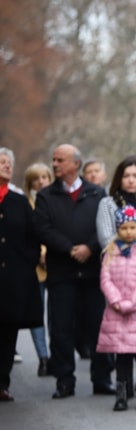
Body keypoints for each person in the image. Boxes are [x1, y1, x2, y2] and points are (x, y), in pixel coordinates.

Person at [34, 144, 114, 399]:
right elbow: (43, 228)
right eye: (54, 160)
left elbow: (105, 225)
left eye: (60, 160)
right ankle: (64, 380)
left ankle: (102, 379)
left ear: (75, 164)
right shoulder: (46, 196)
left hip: (92, 272)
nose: (55, 164)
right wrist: (70, 249)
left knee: (98, 326)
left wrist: (90, 248)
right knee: (61, 329)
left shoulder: (97, 193)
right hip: (62, 272)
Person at [97, 206, 136, 411]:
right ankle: (122, 394)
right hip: (117, 313)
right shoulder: (111, 252)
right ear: (118, 229)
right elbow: (105, 279)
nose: (129, 232)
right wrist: (116, 300)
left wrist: (132, 303)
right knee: (122, 355)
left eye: (133, 227)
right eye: (124, 228)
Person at [0, 157, 43, 402]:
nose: (7, 165)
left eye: (9, 163)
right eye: (1, 162)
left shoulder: (18, 202)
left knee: (7, 331)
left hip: (14, 279)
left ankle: (2, 383)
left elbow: (33, 237)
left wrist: (27, 262)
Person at [22, 163, 53, 377]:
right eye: (36, 178)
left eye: (44, 177)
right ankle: (43, 357)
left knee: (58, 315)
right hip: (36, 267)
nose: (41, 182)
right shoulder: (25, 204)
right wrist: (40, 253)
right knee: (37, 313)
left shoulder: (55, 201)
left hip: (58, 263)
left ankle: (59, 354)